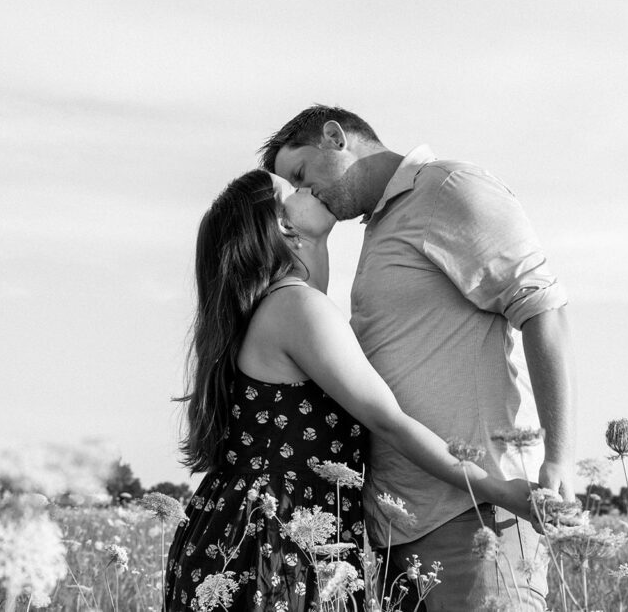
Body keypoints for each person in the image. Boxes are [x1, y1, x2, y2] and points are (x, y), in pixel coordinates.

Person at [165, 169, 538, 612]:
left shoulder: (276, 308)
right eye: (295, 189)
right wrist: (498, 490)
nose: (309, 186)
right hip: (276, 542)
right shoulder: (296, 305)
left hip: (250, 532)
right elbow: (389, 421)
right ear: (280, 226)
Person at [261, 106, 577, 611]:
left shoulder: (450, 188)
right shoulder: (382, 224)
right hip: (397, 530)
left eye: (300, 175)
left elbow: (543, 310)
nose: (303, 194)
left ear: (335, 137)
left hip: (475, 514)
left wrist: (558, 458)